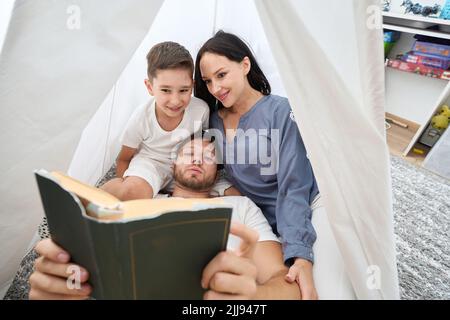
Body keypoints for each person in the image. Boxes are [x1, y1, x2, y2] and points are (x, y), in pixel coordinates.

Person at [29, 135, 301, 300]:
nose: (197, 160)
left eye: (208, 157)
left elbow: (286, 285)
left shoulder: (240, 206)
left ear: (218, 172)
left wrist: (254, 297)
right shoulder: (140, 204)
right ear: (172, 165)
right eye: (189, 153)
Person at [194, 31, 354, 299]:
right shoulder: (213, 121)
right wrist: (224, 191)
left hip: (310, 206)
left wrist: (300, 254)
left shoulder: (281, 111)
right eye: (208, 81)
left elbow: (295, 185)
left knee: (320, 292)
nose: (214, 88)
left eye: (221, 75)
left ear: (245, 65)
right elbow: (207, 168)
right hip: (268, 221)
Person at [101, 41, 235, 201]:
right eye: (165, 90)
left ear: (192, 86)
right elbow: (123, 158)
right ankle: (108, 190)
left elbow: (203, 144)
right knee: (131, 192)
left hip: (186, 167)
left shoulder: (201, 110)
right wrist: (127, 184)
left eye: (183, 90)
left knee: (232, 193)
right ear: (150, 87)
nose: (175, 100)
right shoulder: (142, 117)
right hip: (151, 165)